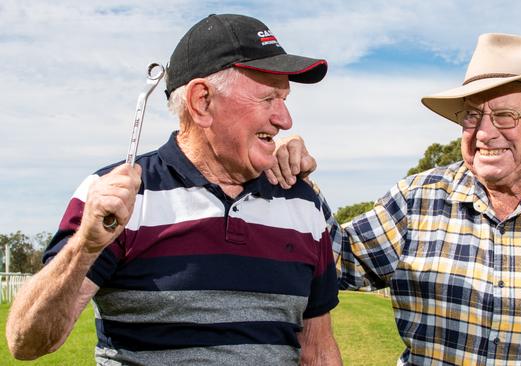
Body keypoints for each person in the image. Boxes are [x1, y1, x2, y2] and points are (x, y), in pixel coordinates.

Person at [270, 33, 521, 364]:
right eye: (472, 116)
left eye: (504, 116)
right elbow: (334, 261)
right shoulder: (419, 198)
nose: (484, 132)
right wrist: (298, 176)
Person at [6, 14, 341, 365]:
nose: (285, 120)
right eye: (269, 99)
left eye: (284, 100)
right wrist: (85, 247)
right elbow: (26, 342)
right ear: (202, 102)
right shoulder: (118, 197)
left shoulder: (301, 203)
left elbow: (318, 351)